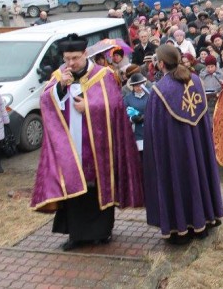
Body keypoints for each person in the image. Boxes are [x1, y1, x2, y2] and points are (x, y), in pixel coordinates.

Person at [30, 34, 143, 251]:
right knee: (73, 187)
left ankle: (102, 232)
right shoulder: (59, 76)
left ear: (85, 54)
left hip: (98, 145)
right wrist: (60, 89)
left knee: (98, 187)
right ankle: (76, 235)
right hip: (70, 146)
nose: (70, 63)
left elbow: (115, 106)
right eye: (67, 58)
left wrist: (90, 108)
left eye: (75, 58)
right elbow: (45, 101)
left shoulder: (103, 75)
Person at [143, 45, 223, 244]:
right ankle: (206, 218)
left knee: (179, 181)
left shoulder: (160, 90)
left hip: (175, 148)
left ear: (161, 64)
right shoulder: (195, 80)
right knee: (199, 174)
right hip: (198, 144)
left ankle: (181, 227)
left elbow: (154, 129)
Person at [123, 73, 150, 160]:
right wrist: (131, 119)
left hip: (151, 130)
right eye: (136, 86)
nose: (139, 88)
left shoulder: (151, 94)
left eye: (140, 85)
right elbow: (123, 116)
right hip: (137, 133)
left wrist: (147, 116)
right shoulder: (128, 99)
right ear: (132, 87)